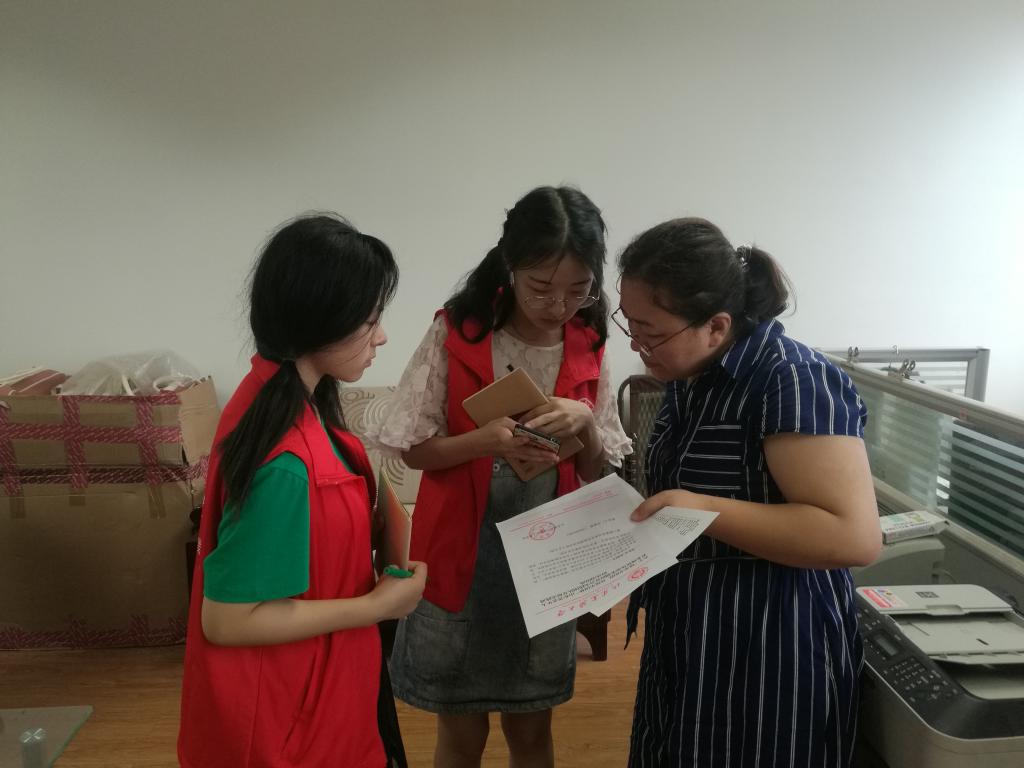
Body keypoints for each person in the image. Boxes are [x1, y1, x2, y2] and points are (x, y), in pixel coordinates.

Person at [366, 186, 632, 767]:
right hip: (461, 553)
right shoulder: (457, 332)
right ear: (510, 266)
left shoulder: (590, 344)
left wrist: (585, 423)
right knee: (462, 734)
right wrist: (482, 442)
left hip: (548, 561)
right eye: (540, 286)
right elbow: (415, 453)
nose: (558, 304)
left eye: (579, 289)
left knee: (532, 731)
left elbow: (595, 470)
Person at [615, 217, 881, 767]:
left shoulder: (792, 378)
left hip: (771, 646)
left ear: (716, 325)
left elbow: (851, 536)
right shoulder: (691, 375)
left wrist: (702, 510)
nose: (637, 345)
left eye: (650, 331)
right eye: (629, 323)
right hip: (691, 636)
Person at [177, 214, 427, 768]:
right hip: (293, 716)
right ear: (320, 320)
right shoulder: (286, 461)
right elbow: (228, 619)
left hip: (322, 688)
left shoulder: (282, 397)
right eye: (370, 319)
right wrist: (375, 605)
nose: (382, 335)